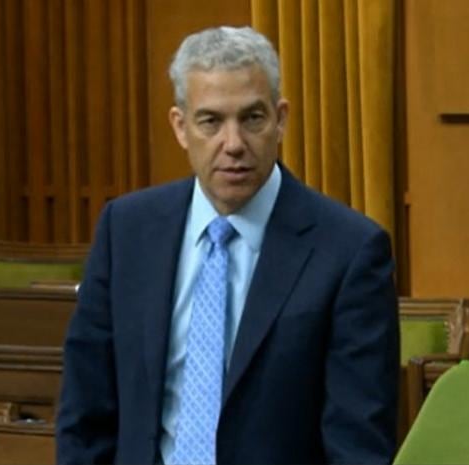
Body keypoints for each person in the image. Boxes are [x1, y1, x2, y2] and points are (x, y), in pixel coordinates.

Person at [56, 25, 399, 465]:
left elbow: (358, 446)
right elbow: (85, 415)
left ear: (281, 120)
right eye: (211, 121)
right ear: (181, 127)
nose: (233, 144)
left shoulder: (350, 251)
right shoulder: (127, 231)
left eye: (252, 118)